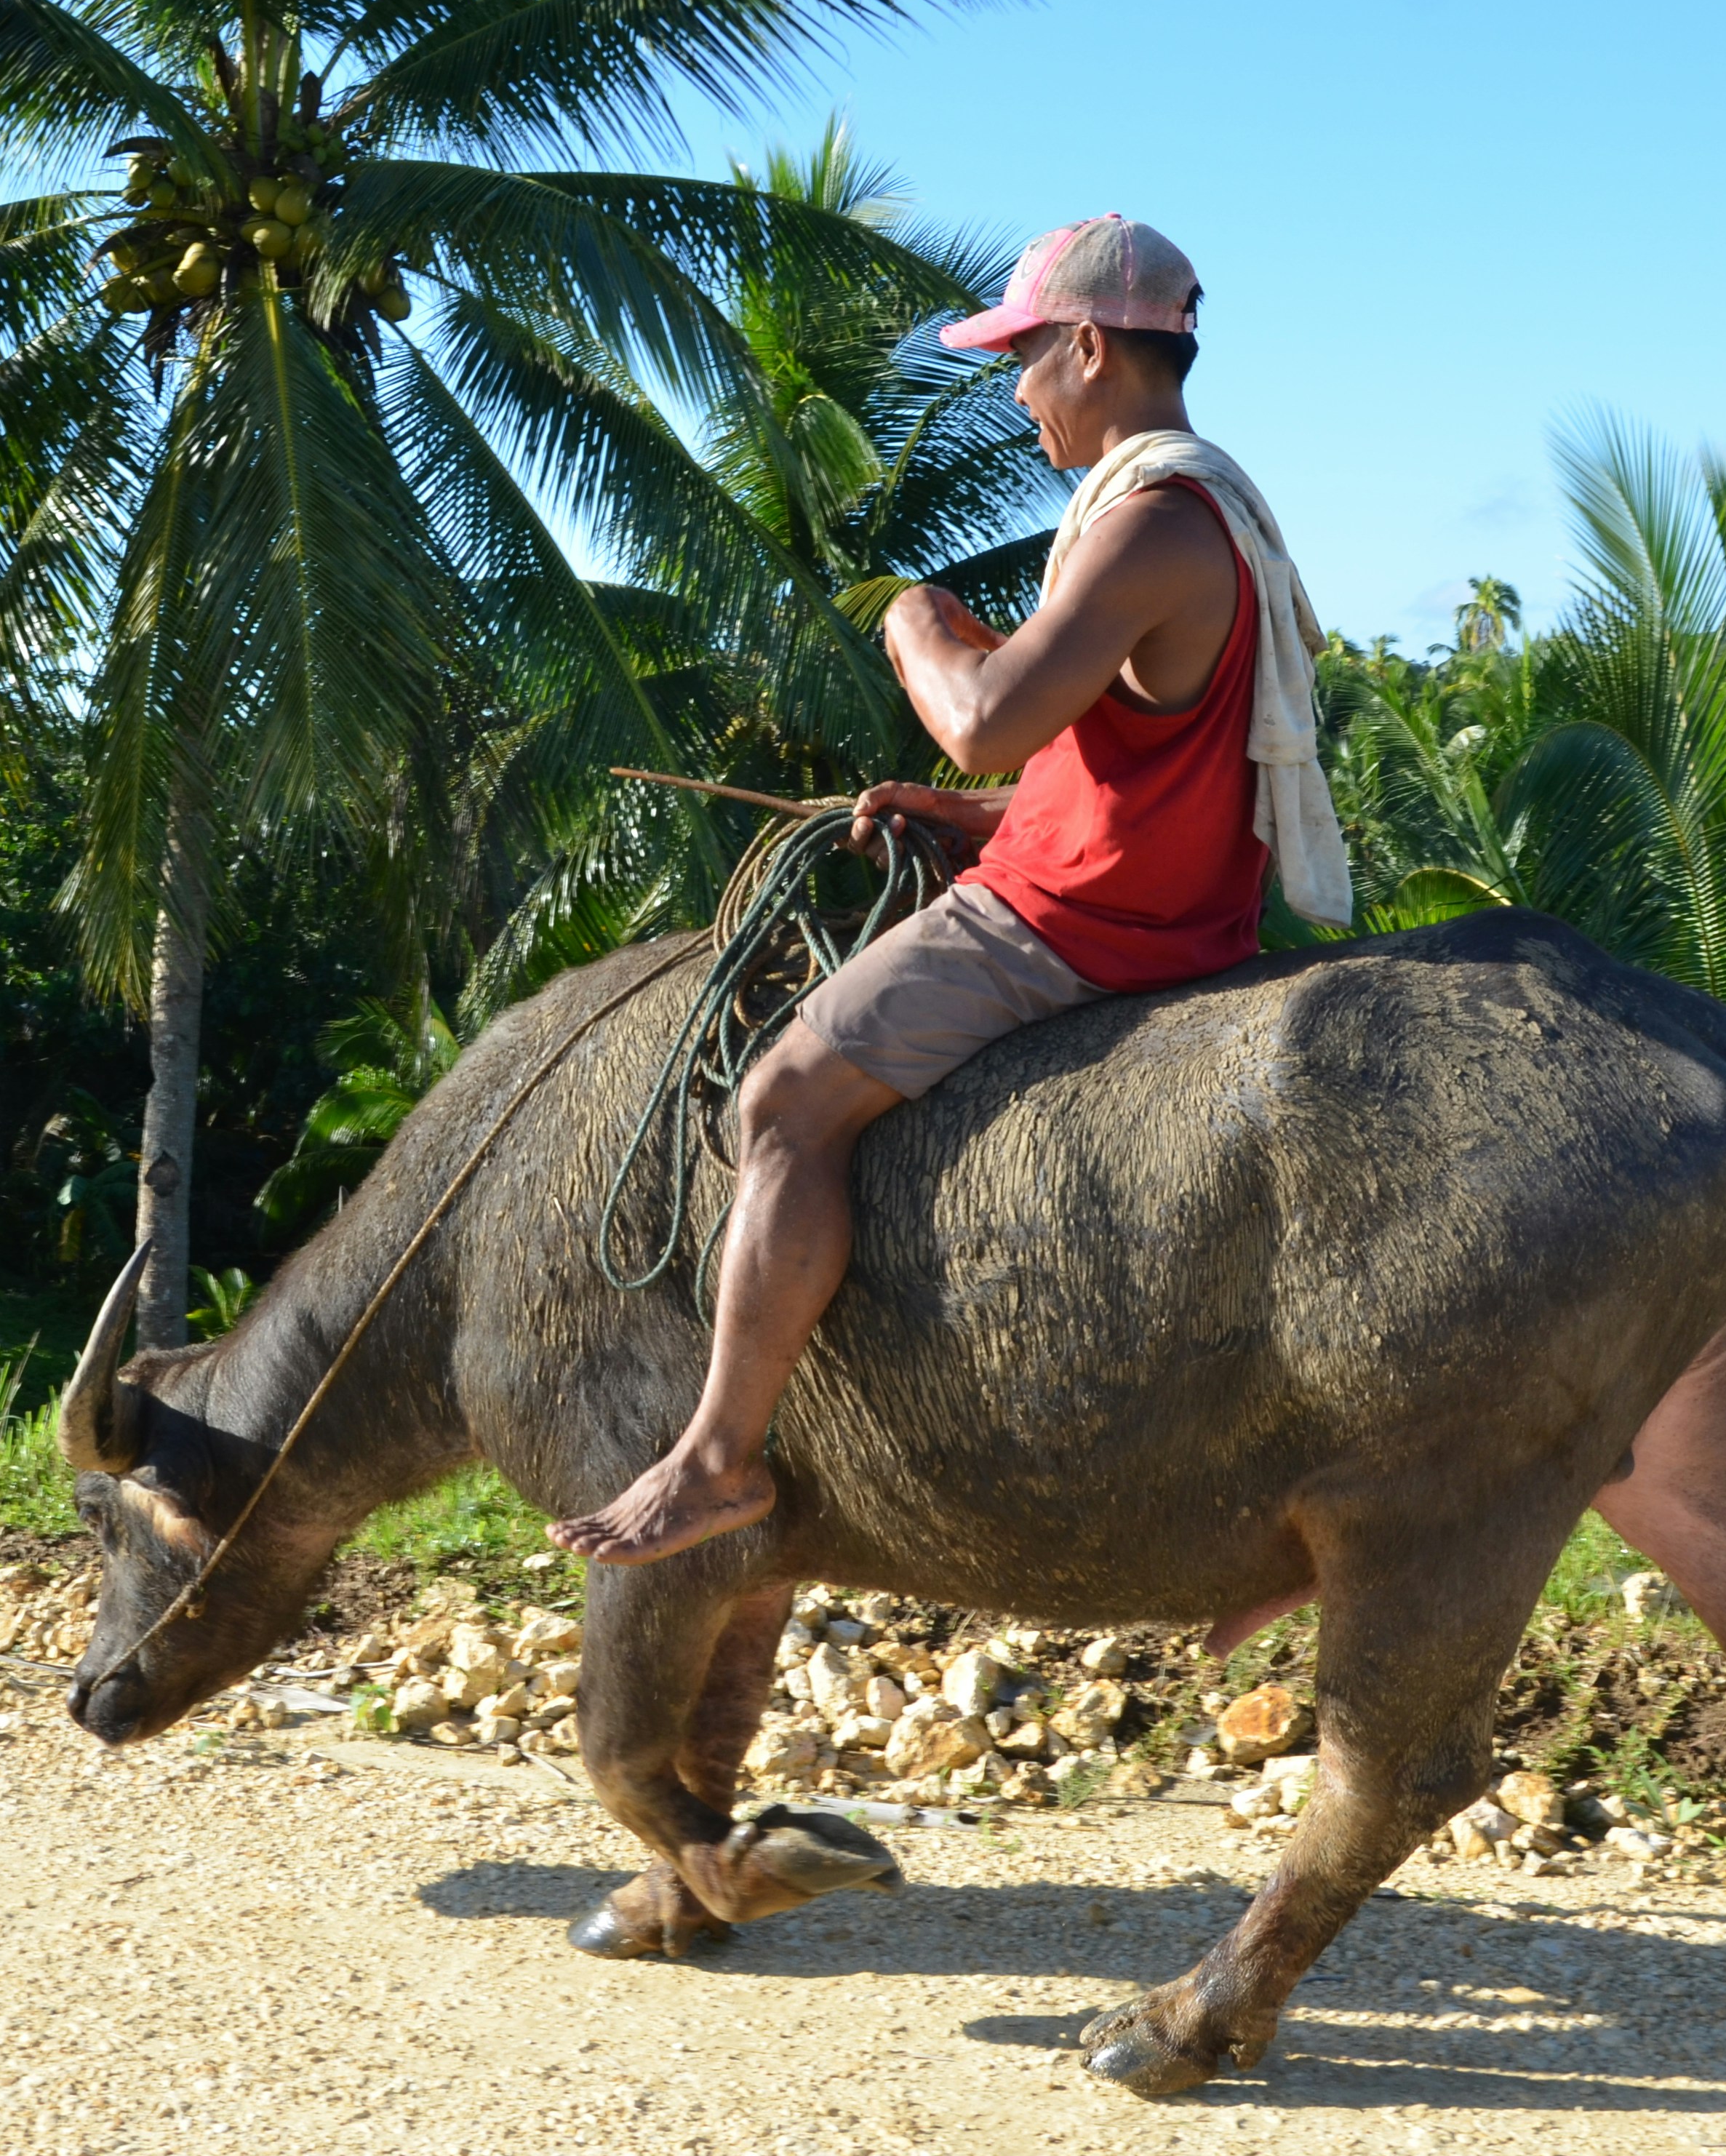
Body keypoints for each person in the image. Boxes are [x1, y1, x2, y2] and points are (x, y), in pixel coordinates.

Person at [548, 213, 1353, 1566]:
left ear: (1091, 348)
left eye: (1028, 362)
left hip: (1074, 926)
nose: (1022, 393)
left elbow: (981, 720)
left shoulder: (1150, 522)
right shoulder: (1210, 508)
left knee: (785, 1098)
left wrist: (910, 619)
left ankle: (715, 1456)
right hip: (1151, 890)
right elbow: (1133, 768)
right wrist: (974, 815)